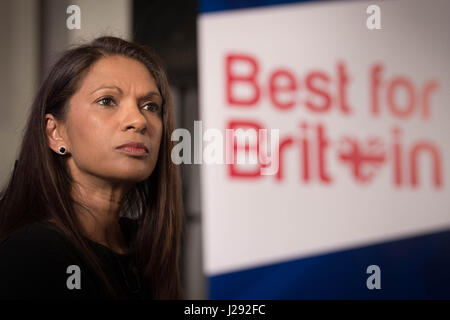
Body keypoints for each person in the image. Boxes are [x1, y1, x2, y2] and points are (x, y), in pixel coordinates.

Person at [0, 36, 184, 299]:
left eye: (150, 106)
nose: (138, 120)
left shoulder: (145, 252)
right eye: (107, 101)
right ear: (55, 133)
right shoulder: (31, 254)